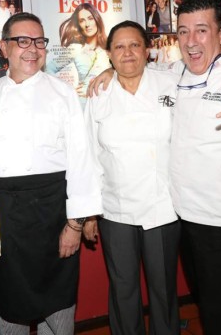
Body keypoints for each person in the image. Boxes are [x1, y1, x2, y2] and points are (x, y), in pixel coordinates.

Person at [88, 0, 221, 335]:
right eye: (183, 31)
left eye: (201, 30)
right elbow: (138, 66)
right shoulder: (178, 72)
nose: (190, 41)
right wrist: (109, 72)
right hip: (184, 215)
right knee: (211, 304)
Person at [0, 12, 103, 334]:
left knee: (57, 308)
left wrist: (75, 225)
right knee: (8, 304)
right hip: (1, 216)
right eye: (22, 41)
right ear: (4, 48)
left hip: (50, 213)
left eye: (39, 42)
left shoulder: (62, 94)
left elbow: (81, 159)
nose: (32, 49)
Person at [84, 21, 180, 335]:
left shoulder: (171, 82)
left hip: (164, 205)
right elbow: (89, 155)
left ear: (148, 50)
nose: (128, 53)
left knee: (163, 288)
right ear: (109, 55)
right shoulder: (99, 94)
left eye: (135, 45)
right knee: (123, 287)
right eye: (120, 47)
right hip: (116, 208)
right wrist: (89, 213)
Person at [45, 3, 112, 105]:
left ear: (97, 20)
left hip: (107, 102)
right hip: (83, 103)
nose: (87, 24)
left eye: (90, 18)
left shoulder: (110, 47)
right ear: (78, 25)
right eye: (82, 20)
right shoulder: (75, 48)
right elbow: (48, 69)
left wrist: (111, 72)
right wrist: (66, 90)